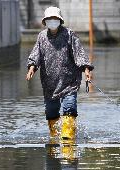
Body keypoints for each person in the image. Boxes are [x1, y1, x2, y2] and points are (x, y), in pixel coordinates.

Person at [26, 6, 94, 141]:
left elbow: (79, 53)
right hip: (50, 83)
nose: (52, 21)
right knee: (51, 111)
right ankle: (54, 136)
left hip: (69, 81)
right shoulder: (42, 37)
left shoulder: (69, 34)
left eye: (55, 18)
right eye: (49, 19)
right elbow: (36, 54)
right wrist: (32, 67)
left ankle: (68, 137)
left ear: (60, 20)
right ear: (45, 21)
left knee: (69, 107)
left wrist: (86, 69)